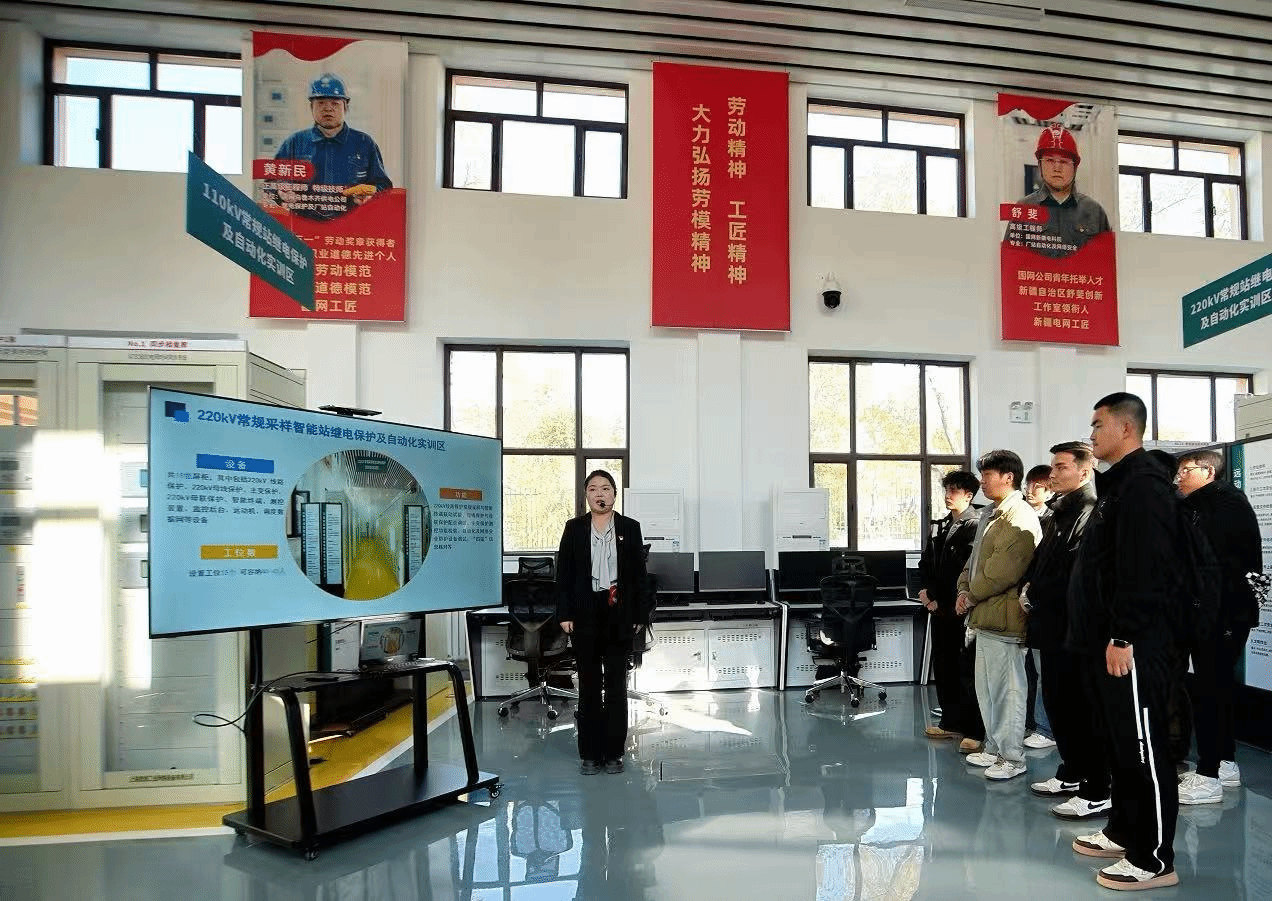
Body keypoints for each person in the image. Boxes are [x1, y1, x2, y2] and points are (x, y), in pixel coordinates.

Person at [1068, 392, 1182, 891]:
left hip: (1134, 643)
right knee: (1119, 744)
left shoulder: (1145, 488)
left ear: (1126, 429)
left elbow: (1144, 569)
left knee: (1143, 748)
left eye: (1098, 425)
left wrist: (1123, 634)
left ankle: (1154, 859)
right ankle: (1123, 830)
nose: (1092, 434)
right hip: (1108, 641)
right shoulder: (1120, 486)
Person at [1021, 442, 1107, 819]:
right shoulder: (1060, 510)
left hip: (1075, 627)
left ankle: (1096, 787)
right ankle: (1071, 772)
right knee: (1058, 702)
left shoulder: (1090, 509)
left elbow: (1077, 573)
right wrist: (1029, 588)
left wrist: (1038, 593)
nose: (1052, 474)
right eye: (1053, 467)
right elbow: (1042, 561)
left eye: (1061, 467)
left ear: (1084, 471)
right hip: (1051, 624)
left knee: (1082, 708)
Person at [1175, 449, 1264, 805]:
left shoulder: (1224, 505)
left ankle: (1209, 774)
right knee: (1215, 689)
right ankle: (1225, 763)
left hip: (1222, 614)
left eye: (1186, 470)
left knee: (1212, 691)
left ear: (1209, 471)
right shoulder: (1202, 505)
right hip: (1212, 613)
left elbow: (1214, 568)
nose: (1179, 477)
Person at [556, 470, 651, 776]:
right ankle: (589, 753)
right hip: (585, 613)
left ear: (614, 494)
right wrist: (564, 614)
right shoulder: (574, 528)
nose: (600, 493)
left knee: (615, 686)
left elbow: (639, 577)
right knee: (589, 685)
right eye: (594, 489)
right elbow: (564, 574)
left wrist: (639, 615)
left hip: (618, 612)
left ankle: (613, 753)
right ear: (586, 495)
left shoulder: (629, 528)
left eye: (606, 488)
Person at [957, 450, 1041, 781]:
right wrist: (963, 589)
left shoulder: (1019, 516)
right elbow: (974, 561)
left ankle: (1013, 757)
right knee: (988, 691)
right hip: (984, 616)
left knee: (1009, 693)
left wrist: (970, 595)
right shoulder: (991, 514)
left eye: (988, 474)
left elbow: (1002, 572)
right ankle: (993, 748)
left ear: (1008, 477)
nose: (982, 481)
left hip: (1005, 619)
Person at [919, 471, 985, 749]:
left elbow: (963, 569)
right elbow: (926, 562)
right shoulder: (941, 525)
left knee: (965, 670)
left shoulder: (976, 524)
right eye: (946, 490)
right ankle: (951, 722)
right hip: (938, 609)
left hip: (961, 608)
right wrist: (925, 593)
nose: (948, 496)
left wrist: (942, 596)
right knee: (943, 667)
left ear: (968, 495)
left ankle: (973, 730)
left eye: (954, 491)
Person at [272, 73, 393, 221]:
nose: (328, 109)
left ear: (345, 107)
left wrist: (369, 195)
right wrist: (281, 192)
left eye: (335, 103)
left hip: (351, 225)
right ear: (311, 107)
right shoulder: (295, 143)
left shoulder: (364, 143)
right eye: (321, 103)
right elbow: (271, 183)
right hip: (304, 225)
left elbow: (384, 187)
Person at [1004, 124, 1111, 258]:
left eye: (1064, 162)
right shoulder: (1024, 209)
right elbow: (1011, 260)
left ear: (1075, 167)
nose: (1057, 168)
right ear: (1040, 165)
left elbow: (1106, 261)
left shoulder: (1095, 211)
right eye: (1049, 160)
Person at [1022, 462, 1056, 749]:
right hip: (1018, 600)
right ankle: (1030, 722)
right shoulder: (1019, 516)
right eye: (1028, 485)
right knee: (1026, 671)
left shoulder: (1053, 520)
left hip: (1041, 602)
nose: (1031, 490)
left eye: (1038, 486)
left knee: (1044, 670)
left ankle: (1045, 728)